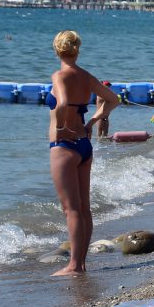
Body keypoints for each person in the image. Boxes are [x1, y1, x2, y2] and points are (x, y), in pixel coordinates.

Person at [47, 30, 119, 276]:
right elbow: (113, 99)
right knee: (83, 207)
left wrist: (59, 128)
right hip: (84, 145)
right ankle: (81, 262)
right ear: (77, 50)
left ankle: (74, 265)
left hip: (64, 147)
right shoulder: (86, 76)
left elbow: (63, 102)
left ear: (57, 50)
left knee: (71, 209)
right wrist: (92, 123)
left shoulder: (59, 75)